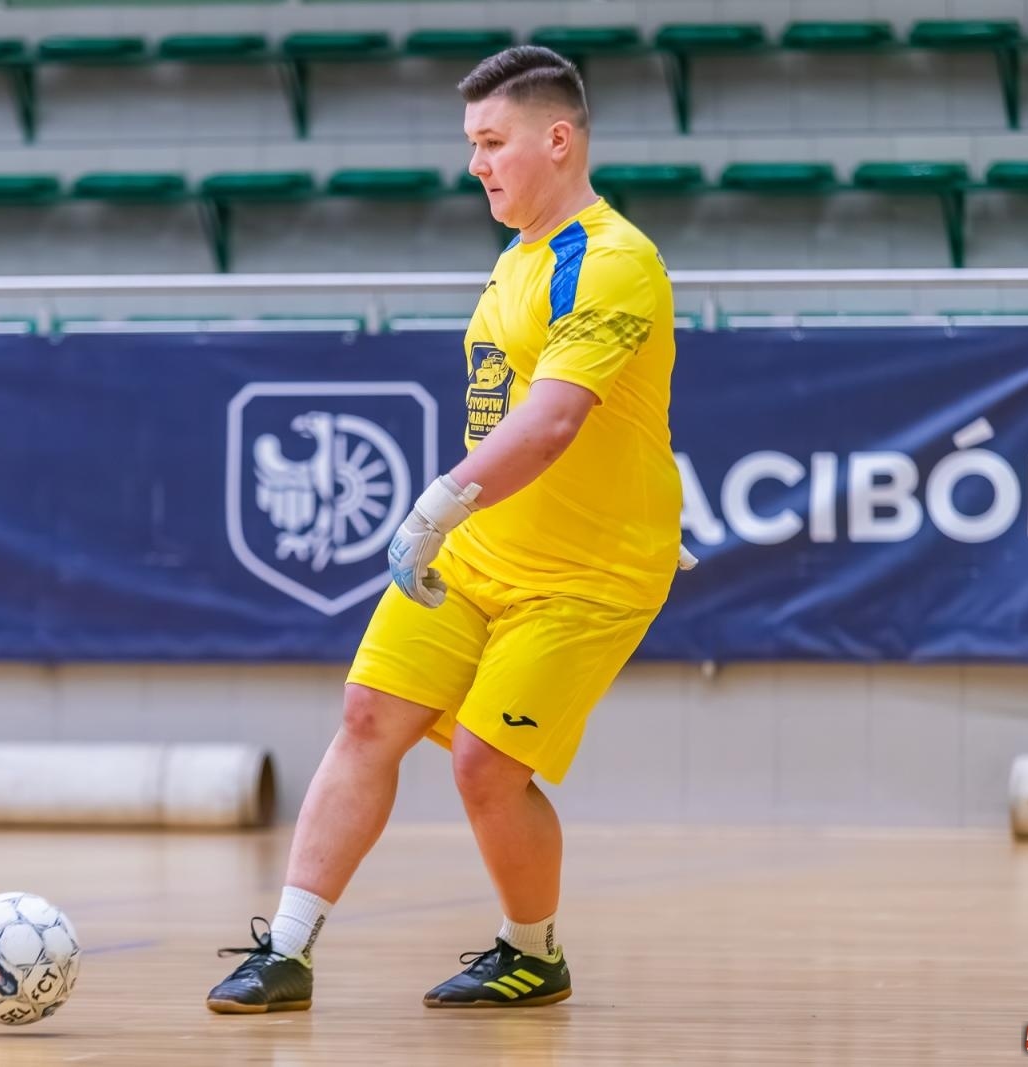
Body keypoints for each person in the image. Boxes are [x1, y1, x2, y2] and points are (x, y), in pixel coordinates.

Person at [208, 45, 686, 1012]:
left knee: (484, 765)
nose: (476, 164)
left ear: (557, 139)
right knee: (367, 717)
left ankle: (531, 951)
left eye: (490, 141)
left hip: (585, 575)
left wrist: (433, 506)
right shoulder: (518, 257)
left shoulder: (615, 261)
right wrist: (457, 524)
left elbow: (552, 422)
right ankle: (288, 951)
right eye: (472, 144)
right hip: (480, 555)